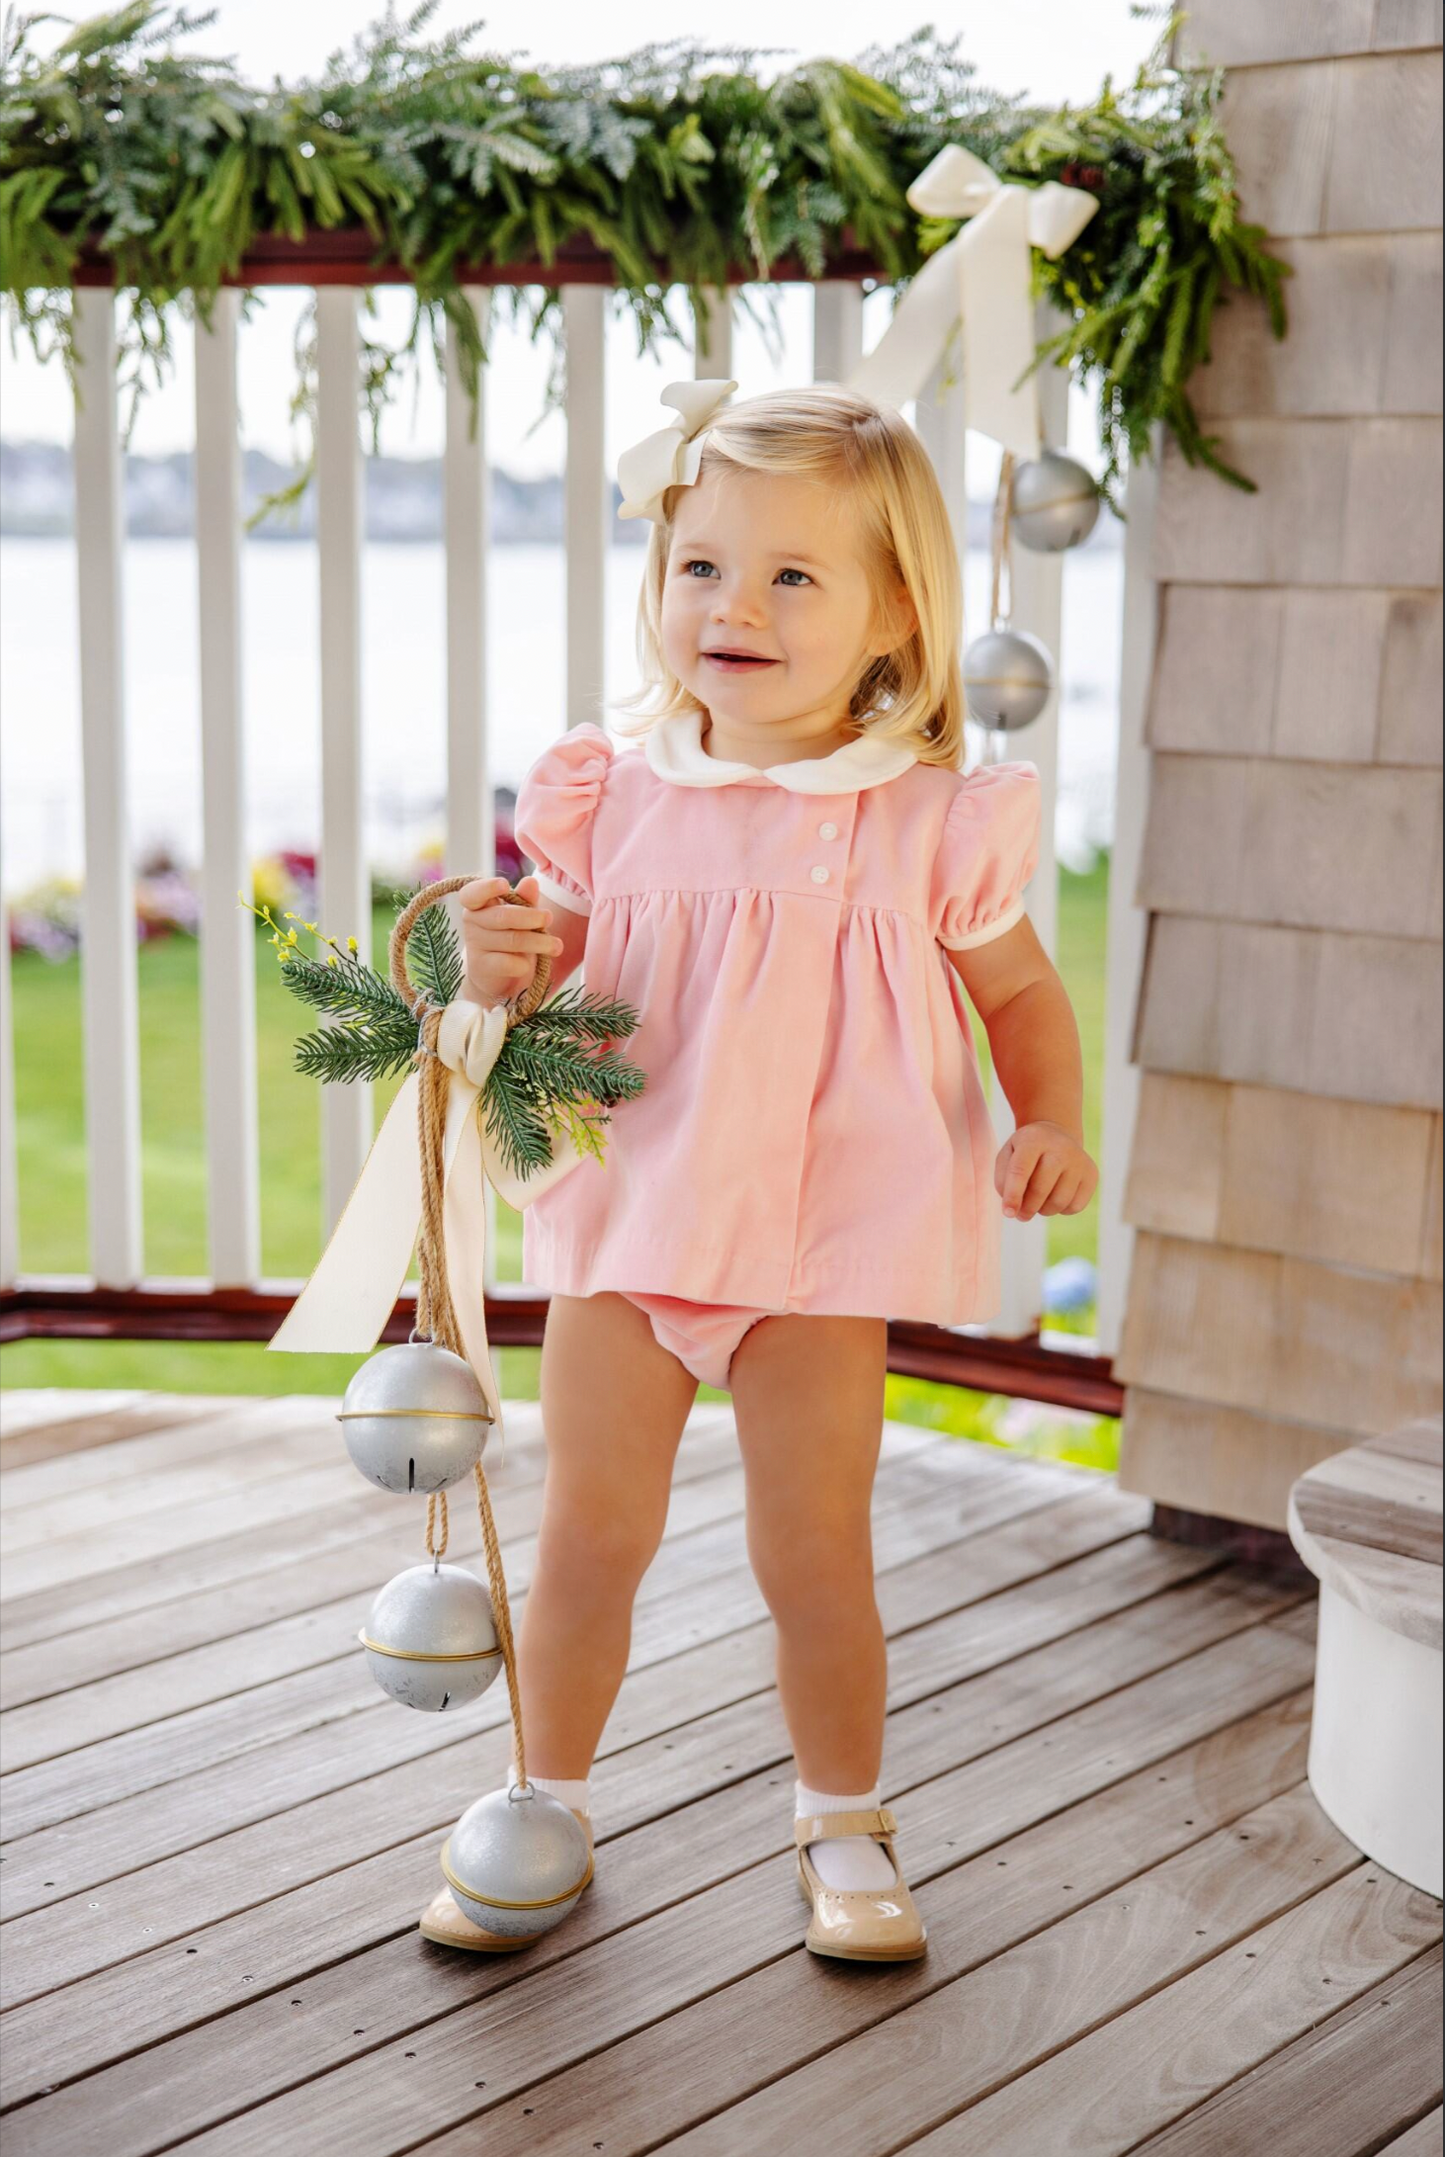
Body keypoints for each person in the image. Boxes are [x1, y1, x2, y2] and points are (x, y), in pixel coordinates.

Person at [418, 381, 1098, 1962]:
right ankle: (544, 1793)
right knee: (593, 1530)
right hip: (636, 1225)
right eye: (702, 566)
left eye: (796, 576)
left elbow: (1020, 997)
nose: (735, 606)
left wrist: (1047, 1117)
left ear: (896, 618)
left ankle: (843, 1816)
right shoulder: (616, 790)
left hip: (820, 1249)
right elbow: (543, 977)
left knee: (813, 1546)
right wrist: (498, 956)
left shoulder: (927, 820)